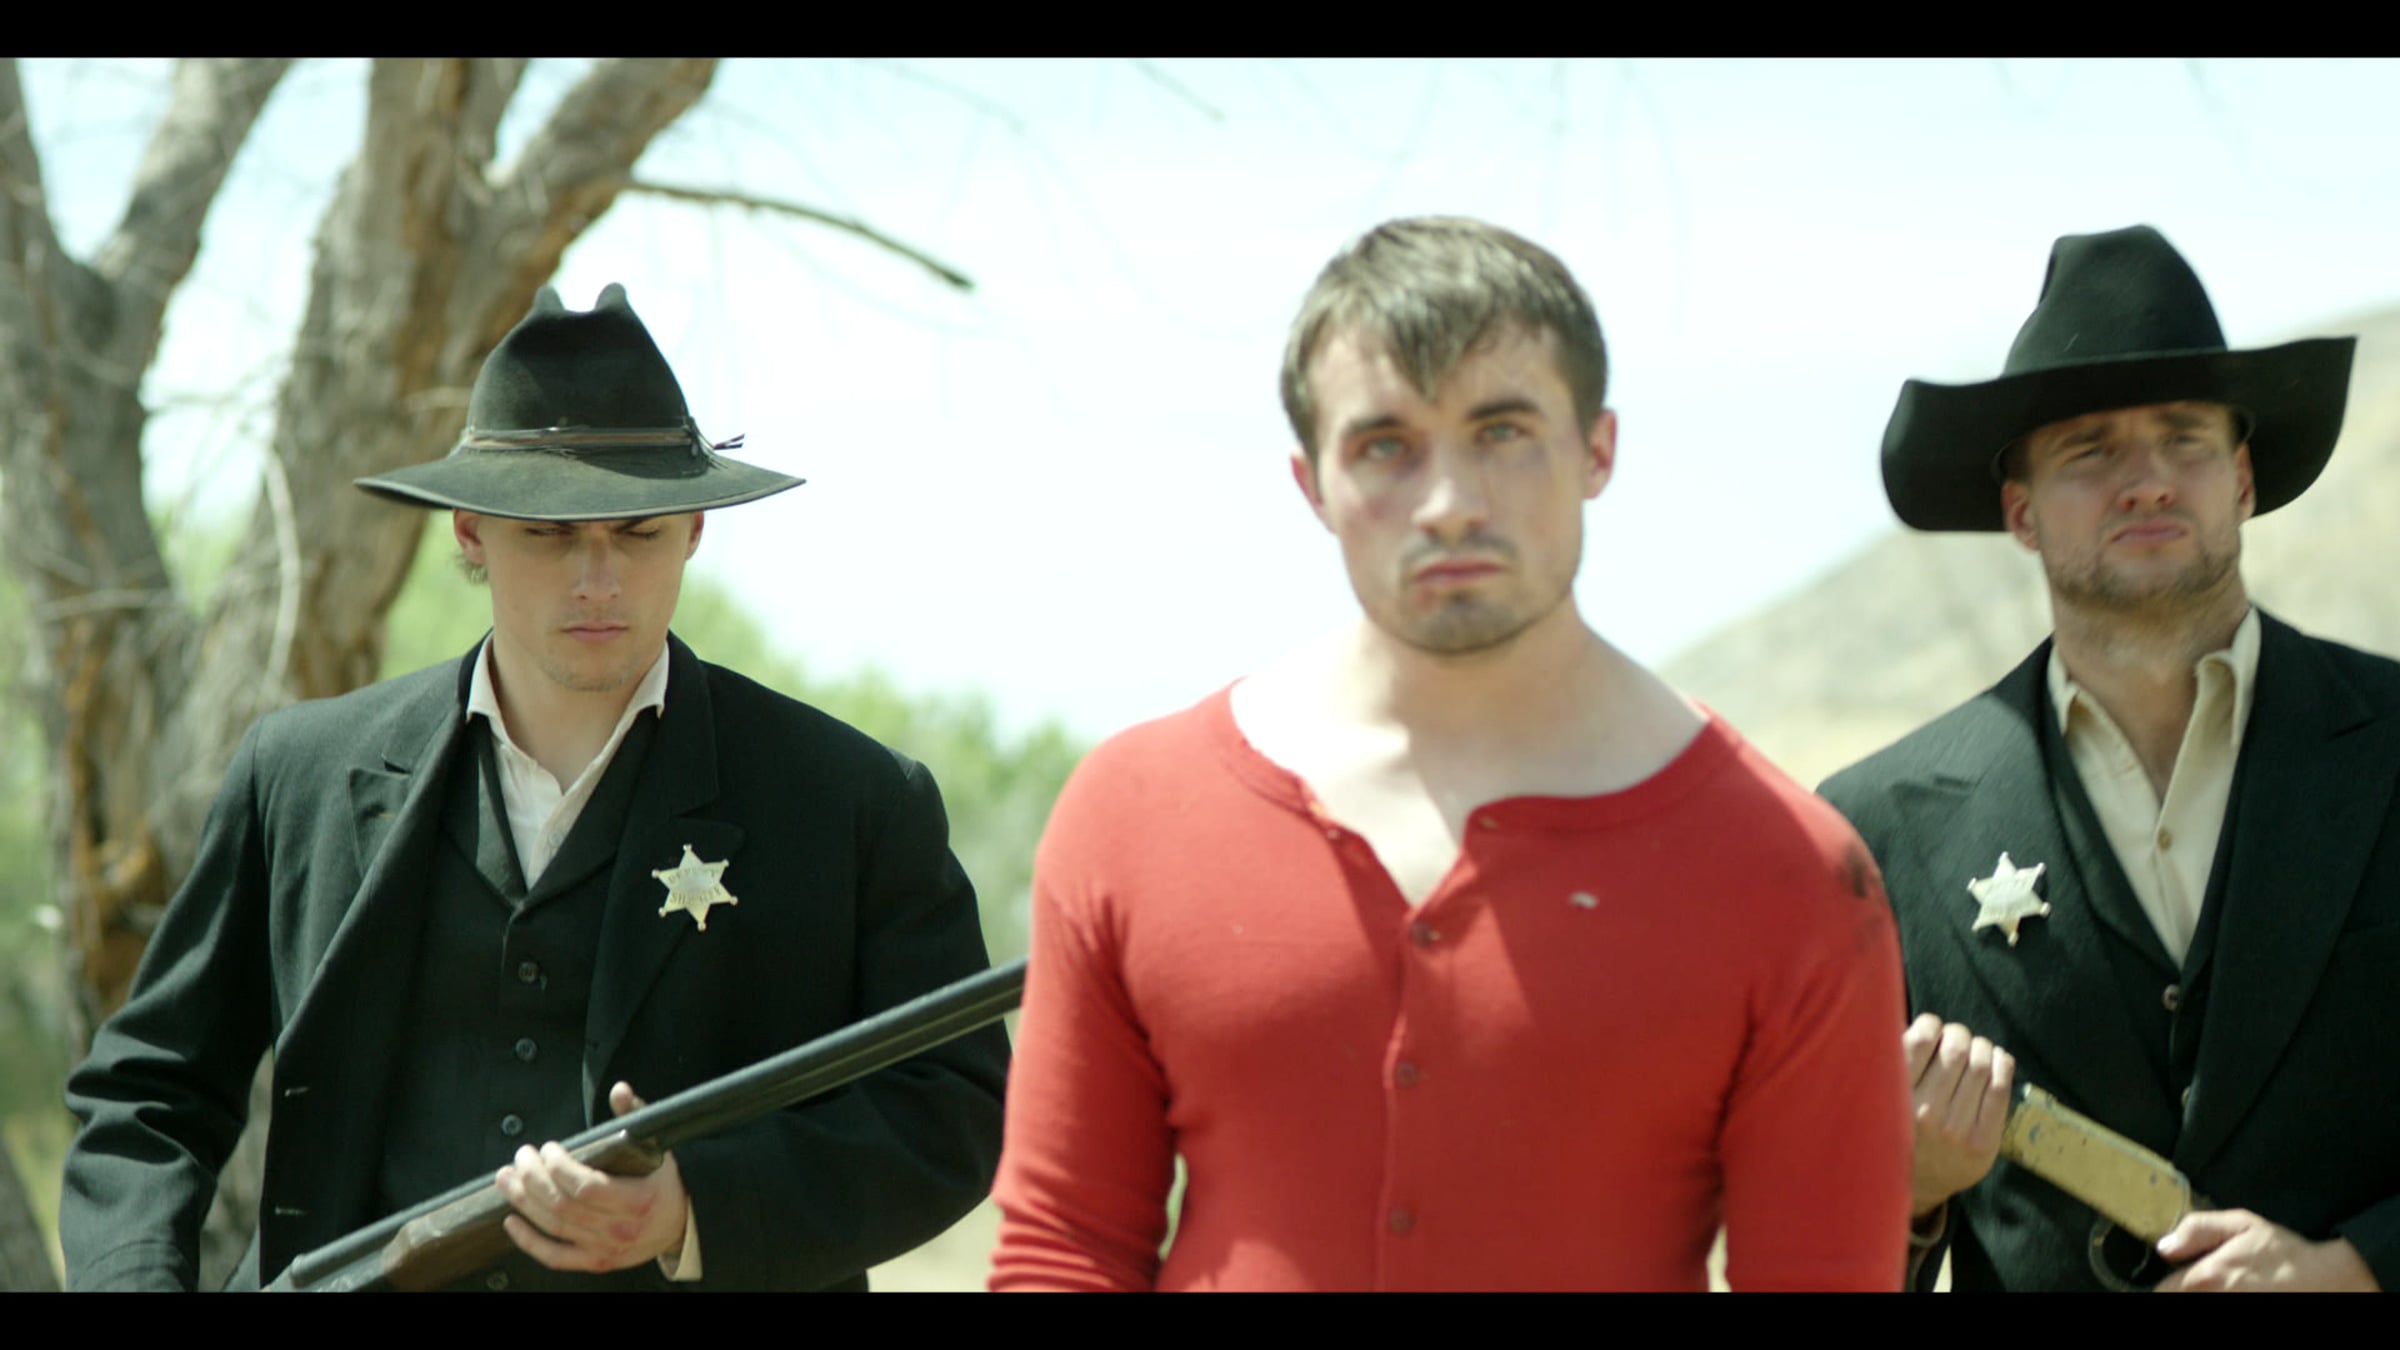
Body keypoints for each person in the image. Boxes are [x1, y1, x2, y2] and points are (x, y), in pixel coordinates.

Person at [985, 216, 1911, 1292]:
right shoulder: (1137, 814)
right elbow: (1065, 1249)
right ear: (1311, 484)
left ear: (1599, 449)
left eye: (1502, 430)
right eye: (1386, 445)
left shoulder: (1788, 873)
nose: (1450, 505)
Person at [60, 285, 1009, 1291]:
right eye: (550, 534)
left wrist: (693, 1208)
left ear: (694, 529)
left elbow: (954, 1105)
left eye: (638, 533)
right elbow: (147, 1093)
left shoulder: (849, 801)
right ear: (470, 531)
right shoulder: (301, 774)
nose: (597, 579)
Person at [1821, 224, 2396, 1292]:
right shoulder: (1875, 830)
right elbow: (1807, 1252)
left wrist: (2361, 1266)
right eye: (2091, 450)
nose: (2147, 481)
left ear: (2242, 478)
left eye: (2184, 439)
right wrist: (1906, 1189)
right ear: (2021, 513)